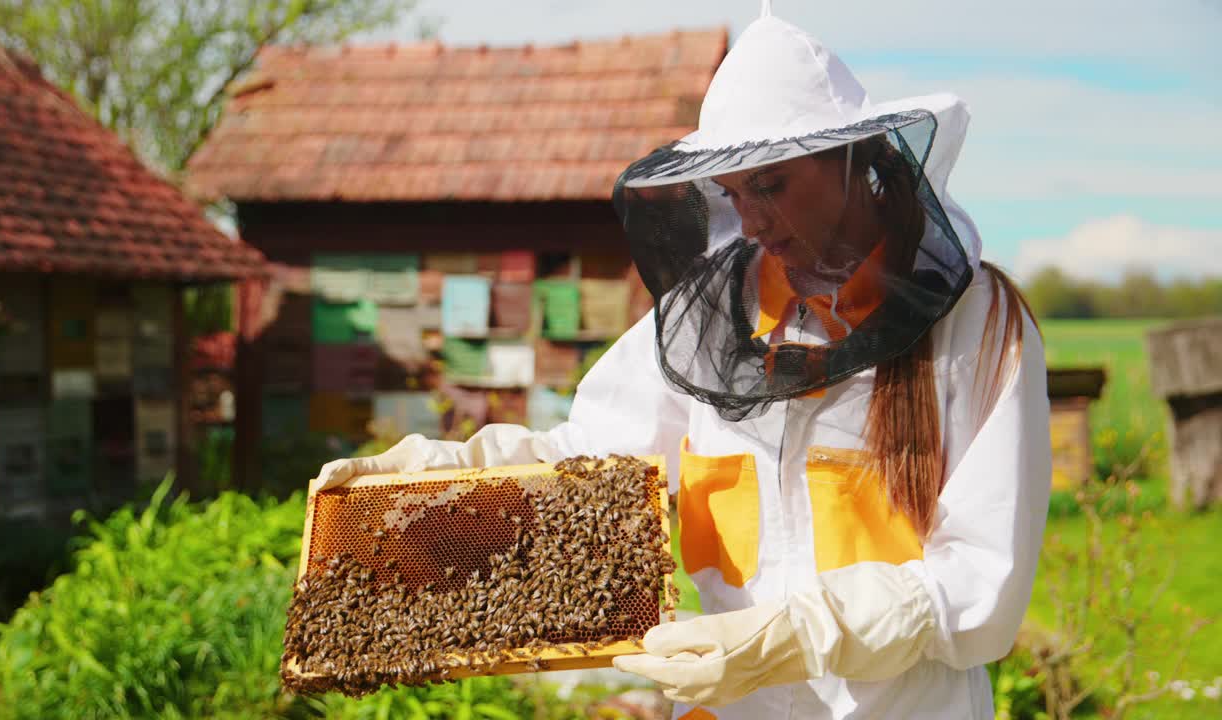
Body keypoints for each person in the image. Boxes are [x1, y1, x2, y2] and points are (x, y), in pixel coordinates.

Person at [313, 3, 1051, 718]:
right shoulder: (704, 320)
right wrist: (435, 475)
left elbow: (983, 587)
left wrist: (796, 636)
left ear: (853, 159)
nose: (754, 220)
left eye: (772, 184)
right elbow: (588, 465)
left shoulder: (979, 328)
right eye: (734, 192)